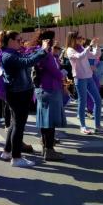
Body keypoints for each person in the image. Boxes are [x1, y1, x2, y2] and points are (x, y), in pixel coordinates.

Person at [0, 30, 47, 167]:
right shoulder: (8, 55)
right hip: (18, 94)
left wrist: (38, 50)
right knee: (19, 125)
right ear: (11, 41)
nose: (21, 42)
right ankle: (16, 157)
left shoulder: (12, 53)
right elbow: (27, 62)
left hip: (18, 92)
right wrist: (42, 50)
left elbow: (27, 57)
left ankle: (7, 151)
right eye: (19, 40)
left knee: (14, 124)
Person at [65, 32, 103, 135]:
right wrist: (89, 46)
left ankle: (98, 126)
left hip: (89, 77)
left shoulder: (81, 47)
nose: (81, 40)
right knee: (82, 102)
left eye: (81, 38)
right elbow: (80, 56)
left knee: (98, 100)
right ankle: (83, 126)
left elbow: (95, 55)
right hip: (80, 78)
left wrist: (97, 46)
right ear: (72, 39)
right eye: (78, 38)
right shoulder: (70, 50)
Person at [32, 30, 66, 161]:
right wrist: (62, 73)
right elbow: (54, 71)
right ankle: (49, 150)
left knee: (44, 121)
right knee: (50, 122)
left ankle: (46, 148)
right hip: (49, 88)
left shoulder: (38, 51)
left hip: (41, 89)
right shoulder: (45, 54)